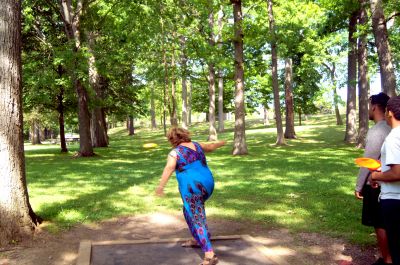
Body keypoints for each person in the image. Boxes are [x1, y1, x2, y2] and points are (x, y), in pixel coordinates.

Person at [156, 127, 226, 265]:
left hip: (193, 188)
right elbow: (211, 146)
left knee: (196, 217)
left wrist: (160, 187)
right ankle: (197, 239)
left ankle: (210, 254)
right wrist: (222, 142)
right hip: (208, 184)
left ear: (172, 139)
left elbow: (169, 168)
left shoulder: (174, 153)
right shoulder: (197, 145)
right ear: (185, 135)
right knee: (188, 211)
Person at [355, 93, 392, 265]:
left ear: (375, 107)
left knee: (380, 223)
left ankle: (387, 259)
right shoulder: (391, 128)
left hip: (376, 183)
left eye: (370, 106)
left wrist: (359, 185)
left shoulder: (378, 130)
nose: (369, 110)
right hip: (388, 182)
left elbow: (368, 160)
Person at [371, 95, 400, 265]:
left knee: (396, 250)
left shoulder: (393, 138)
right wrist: (384, 171)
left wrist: (376, 175)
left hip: (395, 202)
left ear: (389, 112)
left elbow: (397, 173)